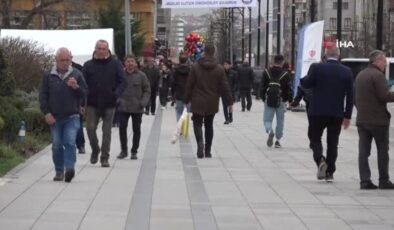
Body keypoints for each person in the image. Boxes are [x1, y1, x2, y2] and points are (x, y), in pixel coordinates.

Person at [301, 47, 353, 181]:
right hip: (336, 113)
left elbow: (306, 83)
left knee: (314, 137)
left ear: (325, 55)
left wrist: (304, 76)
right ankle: (330, 172)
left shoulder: (317, 68)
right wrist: (347, 115)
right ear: (339, 56)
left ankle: (320, 160)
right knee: (333, 142)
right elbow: (351, 96)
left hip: (317, 111)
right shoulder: (346, 71)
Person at [39, 47, 87, 182]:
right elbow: (43, 95)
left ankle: (70, 168)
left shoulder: (77, 74)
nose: (65, 63)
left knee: (70, 142)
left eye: (68, 60)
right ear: (56, 60)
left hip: (72, 116)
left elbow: (85, 93)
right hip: (55, 117)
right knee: (57, 145)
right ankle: (59, 171)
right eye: (62, 60)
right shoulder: (48, 75)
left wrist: (76, 87)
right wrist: (46, 113)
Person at [83, 40, 127, 168]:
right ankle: (95, 149)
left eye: (104, 48)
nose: (101, 51)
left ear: (108, 50)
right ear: (95, 49)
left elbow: (123, 81)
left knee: (106, 131)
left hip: (109, 102)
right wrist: (82, 101)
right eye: (99, 48)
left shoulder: (115, 64)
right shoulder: (88, 65)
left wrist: (116, 94)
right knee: (90, 128)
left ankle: (104, 157)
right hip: (92, 102)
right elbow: (82, 84)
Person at [184, 44, 233, 158]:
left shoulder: (195, 67)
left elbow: (189, 85)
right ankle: (208, 150)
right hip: (212, 100)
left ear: (204, 52)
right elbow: (225, 86)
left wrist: (186, 99)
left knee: (197, 124)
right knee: (209, 125)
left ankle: (200, 144)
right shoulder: (219, 68)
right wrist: (230, 102)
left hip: (197, 100)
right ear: (214, 53)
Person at [355, 50, 394, 189]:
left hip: (362, 120)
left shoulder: (361, 75)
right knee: (383, 151)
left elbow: (356, 98)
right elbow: (384, 96)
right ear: (377, 61)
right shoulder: (378, 75)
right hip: (378, 121)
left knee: (363, 152)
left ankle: (365, 181)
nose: (385, 64)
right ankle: (384, 180)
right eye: (384, 61)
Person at [117, 55, 150, 160]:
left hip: (137, 107)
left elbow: (147, 90)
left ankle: (134, 151)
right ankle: (124, 150)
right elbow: (114, 88)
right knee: (122, 128)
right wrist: (117, 100)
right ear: (124, 63)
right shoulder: (120, 75)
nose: (130, 63)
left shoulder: (141, 75)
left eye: (132, 61)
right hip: (123, 107)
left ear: (135, 63)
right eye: (128, 61)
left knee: (137, 130)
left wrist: (143, 102)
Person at [261, 54, 292, 148]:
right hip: (281, 100)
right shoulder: (285, 74)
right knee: (280, 120)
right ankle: (278, 140)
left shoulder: (266, 72)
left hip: (269, 99)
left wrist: (263, 98)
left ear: (273, 61)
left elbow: (262, 87)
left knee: (267, 119)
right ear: (282, 62)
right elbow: (289, 89)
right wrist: (289, 100)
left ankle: (270, 131)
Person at [71, 60, 86, 154]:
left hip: (77, 103)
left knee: (78, 125)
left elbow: (83, 90)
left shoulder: (78, 70)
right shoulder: (55, 71)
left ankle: (81, 145)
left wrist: (82, 104)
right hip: (63, 105)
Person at [171, 55, 191, 121]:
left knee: (179, 111)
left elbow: (173, 83)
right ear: (186, 61)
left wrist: (172, 94)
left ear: (179, 60)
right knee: (187, 112)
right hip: (188, 94)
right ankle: (185, 129)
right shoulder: (190, 70)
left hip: (179, 93)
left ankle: (179, 129)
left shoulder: (176, 70)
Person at [223, 60, 237, 124]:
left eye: (226, 64)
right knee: (224, 106)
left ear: (229, 65)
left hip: (231, 92)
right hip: (224, 92)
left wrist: (234, 90)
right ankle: (226, 119)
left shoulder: (233, 73)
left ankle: (230, 116)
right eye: (224, 64)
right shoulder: (222, 73)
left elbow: (236, 83)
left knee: (230, 105)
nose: (225, 66)